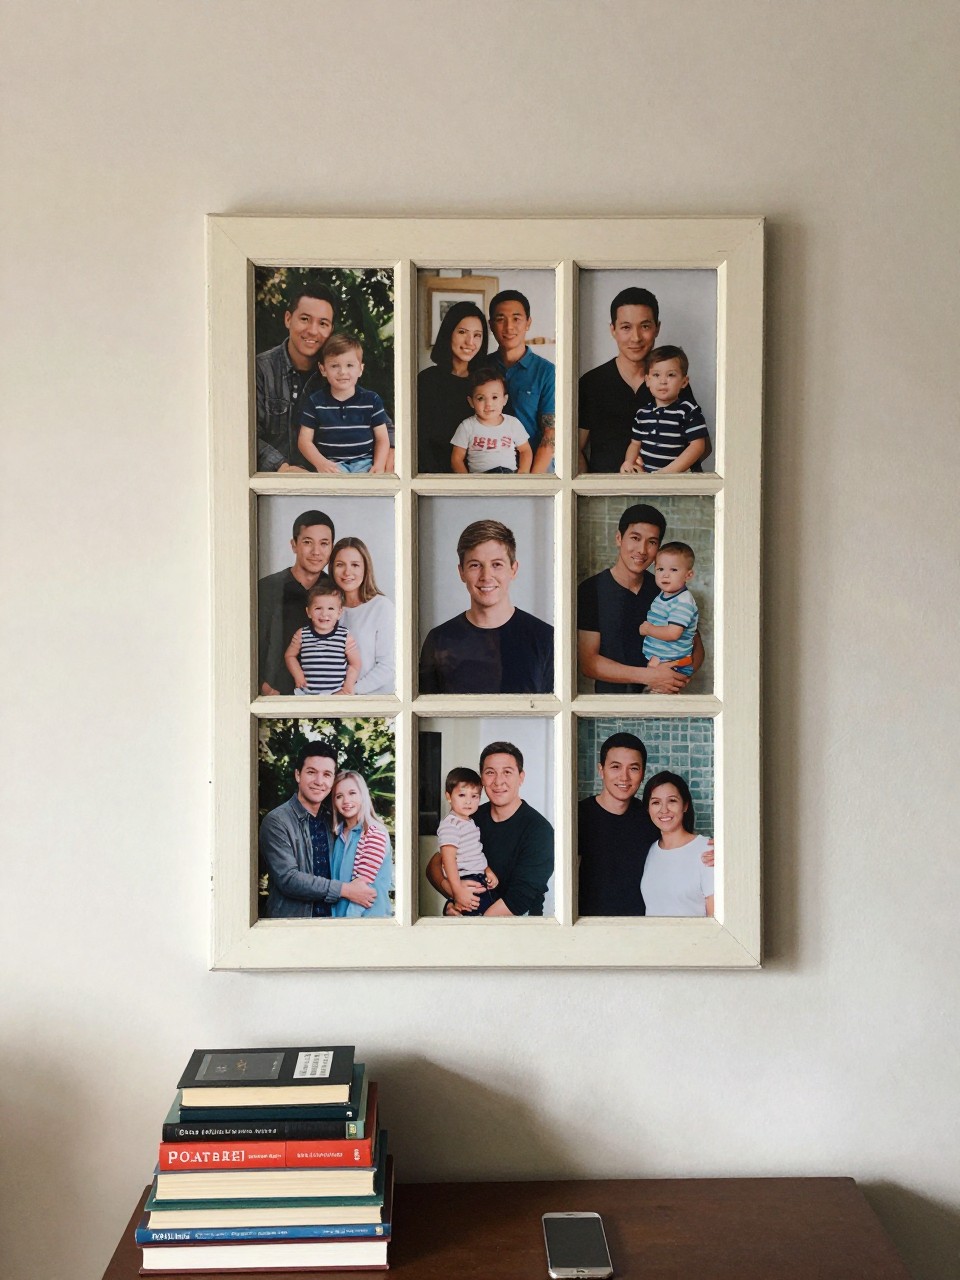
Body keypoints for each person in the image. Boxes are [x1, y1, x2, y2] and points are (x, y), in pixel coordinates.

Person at [578, 732, 714, 917]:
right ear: (601, 770)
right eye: (615, 767)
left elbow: (682, 850)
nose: (624, 777)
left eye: (633, 768)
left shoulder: (650, 817)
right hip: (589, 931)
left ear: (642, 773)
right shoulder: (577, 816)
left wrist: (724, 853)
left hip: (642, 933)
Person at [577, 502, 704, 694]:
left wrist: (674, 680)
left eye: (652, 542)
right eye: (635, 538)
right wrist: (651, 677)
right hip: (610, 707)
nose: (642, 550)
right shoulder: (591, 590)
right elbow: (589, 664)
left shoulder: (667, 590)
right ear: (619, 538)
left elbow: (696, 649)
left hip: (663, 703)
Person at [577, 287, 708, 473]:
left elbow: (702, 446)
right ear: (613, 330)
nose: (636, 337)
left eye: (645, 326)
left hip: (667, 494)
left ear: (657, 328)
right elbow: (576, 450)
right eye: (626, 327)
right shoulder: (592, 383)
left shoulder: (671, 381)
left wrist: (660, 472)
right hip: (608, 495)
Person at [419, 519, 554, 694]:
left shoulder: (546, 638)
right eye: (475, 565)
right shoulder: (438, 639)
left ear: (513, 569)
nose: (486, 576)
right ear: (461, 572)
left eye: (497, 565)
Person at [425, 742, 553, 917]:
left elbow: (519, 901)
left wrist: (473, 924)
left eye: (507, 772)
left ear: (521, 777)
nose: (498, 781)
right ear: (482, 779)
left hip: (517, 930)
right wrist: (455, 894)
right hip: (473, 918)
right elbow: (435, 864)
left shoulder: (540, 831)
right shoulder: (470, 818)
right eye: (490, 772)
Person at [258, 742, 377, 918]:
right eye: (311, 772)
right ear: (298, 775)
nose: (319, 781)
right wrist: (346, 890)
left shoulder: (333, 821)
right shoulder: (277, 821)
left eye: (327, 774)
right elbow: (288, 879)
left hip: (333, 922)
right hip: (293, 926)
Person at [255, 283, 337, 472]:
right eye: (305, 319)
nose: (313, 331)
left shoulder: (338, 374)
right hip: (270, 489)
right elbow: (243, 434)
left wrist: (390, 446)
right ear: (288, 319)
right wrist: (282, 468)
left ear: (331, 329)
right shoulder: (260, 369)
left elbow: (371, 417)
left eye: (323, 323)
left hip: (326, 488)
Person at [259, 509, 335, 695]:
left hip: (324, 699)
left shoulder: (336, 591)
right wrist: (263, 687)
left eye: (324, 543)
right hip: (275, 699)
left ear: (332, 547)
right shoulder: (267, 588)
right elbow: (248, 644)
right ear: (294, 545)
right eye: (307, 542)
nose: (316, 551)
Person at [297, 333, 390, 474]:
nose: (343, 372)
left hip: (365, 464)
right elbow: (304, 441)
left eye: (350, 365)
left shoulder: (372, 400)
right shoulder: (315, 402)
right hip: (331, 466)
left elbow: (382, 438)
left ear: (360, 369)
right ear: (323, 370)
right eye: (334, 366)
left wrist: (379, 464)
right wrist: (321, 463)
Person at [417, 301, 490, 473]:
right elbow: (419, 439)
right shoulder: (427, 380)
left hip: (480, 474)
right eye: (462, 332)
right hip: (433, 475)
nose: (470, 342)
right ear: (449, 333)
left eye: (477, 335)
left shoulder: (487, 382)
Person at [487, 291, 555, 473]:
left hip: (536, 470)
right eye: (500, 319)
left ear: (528, 323)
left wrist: (530, 482)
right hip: (488, 469)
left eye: (516, 318)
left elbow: (551, 434)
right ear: (491, 325)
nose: (509, 327)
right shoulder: (481, 367)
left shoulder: (547, 371)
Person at [620, 346, 709, 474]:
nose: (663, 381)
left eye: (671, 375)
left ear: (684, 382)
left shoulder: (688, 411)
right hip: (647, 478)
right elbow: (635, 444)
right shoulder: (642, 414)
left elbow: (698, 446)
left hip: (678, 478)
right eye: (656, 375)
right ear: (647, 380)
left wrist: (666, 473)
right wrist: (628, 462)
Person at [639, 772, 715, 917]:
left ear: (685, 805)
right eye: (656, 802)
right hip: (651, 939)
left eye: (672, 801)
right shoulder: (650, 850)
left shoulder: (707, 850)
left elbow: (717, 921)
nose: (664, 810)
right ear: (648, 809)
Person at [331, 536, 396, 695]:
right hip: (333, 703)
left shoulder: (381, 607)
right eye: (340, 565)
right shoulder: (328, 609)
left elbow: (388, 666)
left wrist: (350, 692)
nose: (347, 572)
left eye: (355, 565)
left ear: (365, 568)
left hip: (372, 704)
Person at [436, 766, 499, 917]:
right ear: (449, 796)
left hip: (478, 877)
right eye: (462, 795)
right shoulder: (451, 824)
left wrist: (486, 869)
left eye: (475, 796)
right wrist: (457, 891)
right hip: (466, 880)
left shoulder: (470, 822)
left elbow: (474, 852)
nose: (468, 802)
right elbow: (448, 860)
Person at [330, 771, 393, 918]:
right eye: (339, 796)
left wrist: (348, 924)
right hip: (339, 921)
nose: (346, 801)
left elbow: (362, 888)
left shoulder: (373, 832)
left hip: (366, 922)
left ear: (363, 795)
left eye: (352, 793)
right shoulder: (338, 835)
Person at [284, 576, 360, 695]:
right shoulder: (302, 634)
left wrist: (348, 686)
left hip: (336, 694)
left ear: (339, 613)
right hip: (306, 694)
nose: (324, 614)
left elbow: (355, 663)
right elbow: (290, 656)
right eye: (318, 608)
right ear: (309, 612)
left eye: (331, 608)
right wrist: (298, 675)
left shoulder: (345, 636)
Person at [450, 367, 532, 474]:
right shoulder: (467, 426)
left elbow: (525, 450)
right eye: (480, 398)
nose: (488, 404)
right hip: (481, 478)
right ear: (471, 402)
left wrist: (522, 475)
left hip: (509, 476)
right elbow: (456, 459)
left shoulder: (513, 423)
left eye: (494, 397)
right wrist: (468, 483)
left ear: (504, 400)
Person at [639, 543, 699, 676]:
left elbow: (673, 634)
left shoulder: (683, 602)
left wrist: (648, 629)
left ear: (688, 575)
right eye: (660, 569)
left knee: (660, 693)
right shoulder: (664, 594)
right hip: (660, 658)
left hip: (672, 662)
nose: (665, 575)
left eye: (673, 570)